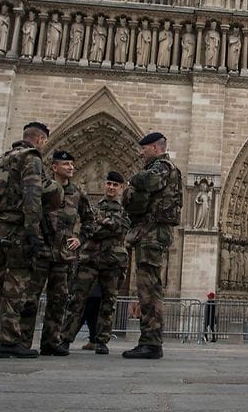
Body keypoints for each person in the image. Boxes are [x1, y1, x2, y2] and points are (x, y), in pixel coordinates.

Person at [0, 121, 50, 359]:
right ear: (41, 140)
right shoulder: (30, 158)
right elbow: (32, 195)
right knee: (16, 284)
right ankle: (8, 339)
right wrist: (34, 232)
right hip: (18, 229)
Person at [20, 150, 89, 356]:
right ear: (54, 167)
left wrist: (80, 239)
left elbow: (90, 220)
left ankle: (51, 342)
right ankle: (23, 342)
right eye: (66, 164)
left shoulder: (77, 193)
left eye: (72, 164)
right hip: (40, 252)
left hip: (63, 256)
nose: (71, 167)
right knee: (30, 299)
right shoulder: (41, 189)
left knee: (58, 300)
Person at [122, 132, 183, 359]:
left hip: (152, 232)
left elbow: (148, 182)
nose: (140, 153)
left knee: (149, 289)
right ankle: (150, 341)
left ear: (156, 148)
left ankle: (151, 342)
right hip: (151, 232)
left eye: (144, 149)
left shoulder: (162, 167)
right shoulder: (164, 167)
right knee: (149, 287)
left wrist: (133, 180)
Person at [61, 170, 130, 355]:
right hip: (90, 259)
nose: (111, 187)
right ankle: (65, 339)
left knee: (108, 303)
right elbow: (88, 228)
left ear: (121, 188)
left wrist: (100, 225)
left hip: (113, 261)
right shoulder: (93, 206)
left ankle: (101, 341)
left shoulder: (125, 208)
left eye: (115, 185)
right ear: (104, 185)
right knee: (76, 299)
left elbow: (119, 228)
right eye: (109, 184)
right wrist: (103, 225)